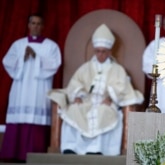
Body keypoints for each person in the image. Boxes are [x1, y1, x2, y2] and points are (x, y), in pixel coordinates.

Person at [47, 24, 144, 155]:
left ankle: (97, 149)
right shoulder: (86, 67)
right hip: (87, 101)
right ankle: (71, 148)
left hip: (106, 102)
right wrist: (78, 95)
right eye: (97, 51)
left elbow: (122, 88)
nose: (100, 55)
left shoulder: (117, 69)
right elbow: (75, 83)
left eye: (103, 51)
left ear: (109, 51)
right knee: (73, 109)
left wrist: (110, 97)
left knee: (103, 113)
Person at [0, 13, 62, 162]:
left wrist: (37, 57)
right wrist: (22, 58)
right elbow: (7, 61)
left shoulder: (51, 46)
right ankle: (12, 154)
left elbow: (55, 64)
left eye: (39, 24)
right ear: (28, 25)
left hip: (39, 89)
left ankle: (34, 154)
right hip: (20, 88)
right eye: (33, 23)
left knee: (36, 120)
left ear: (43, 26)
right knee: (18, 118)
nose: (36, 26)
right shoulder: (18, 44)